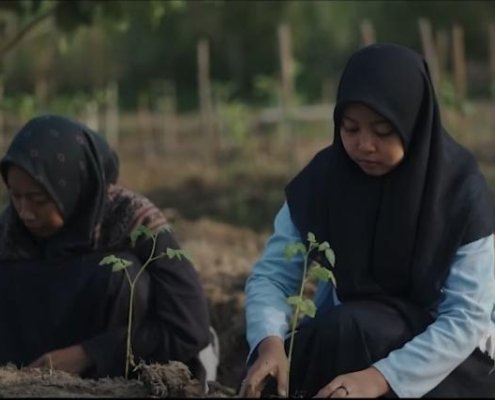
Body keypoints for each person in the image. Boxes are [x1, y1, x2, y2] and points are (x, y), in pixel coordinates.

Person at [241, 43, 495, 398]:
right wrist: (268, 342)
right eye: (350, 128)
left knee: (355, 329)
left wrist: (378, 379)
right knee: (287, 362)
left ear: (414, 123)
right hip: (354, 336)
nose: (364, 145)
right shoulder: (325, 180)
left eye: (382, 131)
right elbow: (272, 275)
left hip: (444, 359)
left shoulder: (458, 190)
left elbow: (466, 318)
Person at [0, 114, 216, 387]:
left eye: (39, 200)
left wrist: (89, 354)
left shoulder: (134, 221)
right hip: (26, 377)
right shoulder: (9, 232)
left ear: (72, 188)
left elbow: (188, 329)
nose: (25, 213)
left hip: (116, 375)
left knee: (123, 273)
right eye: (15, 197)